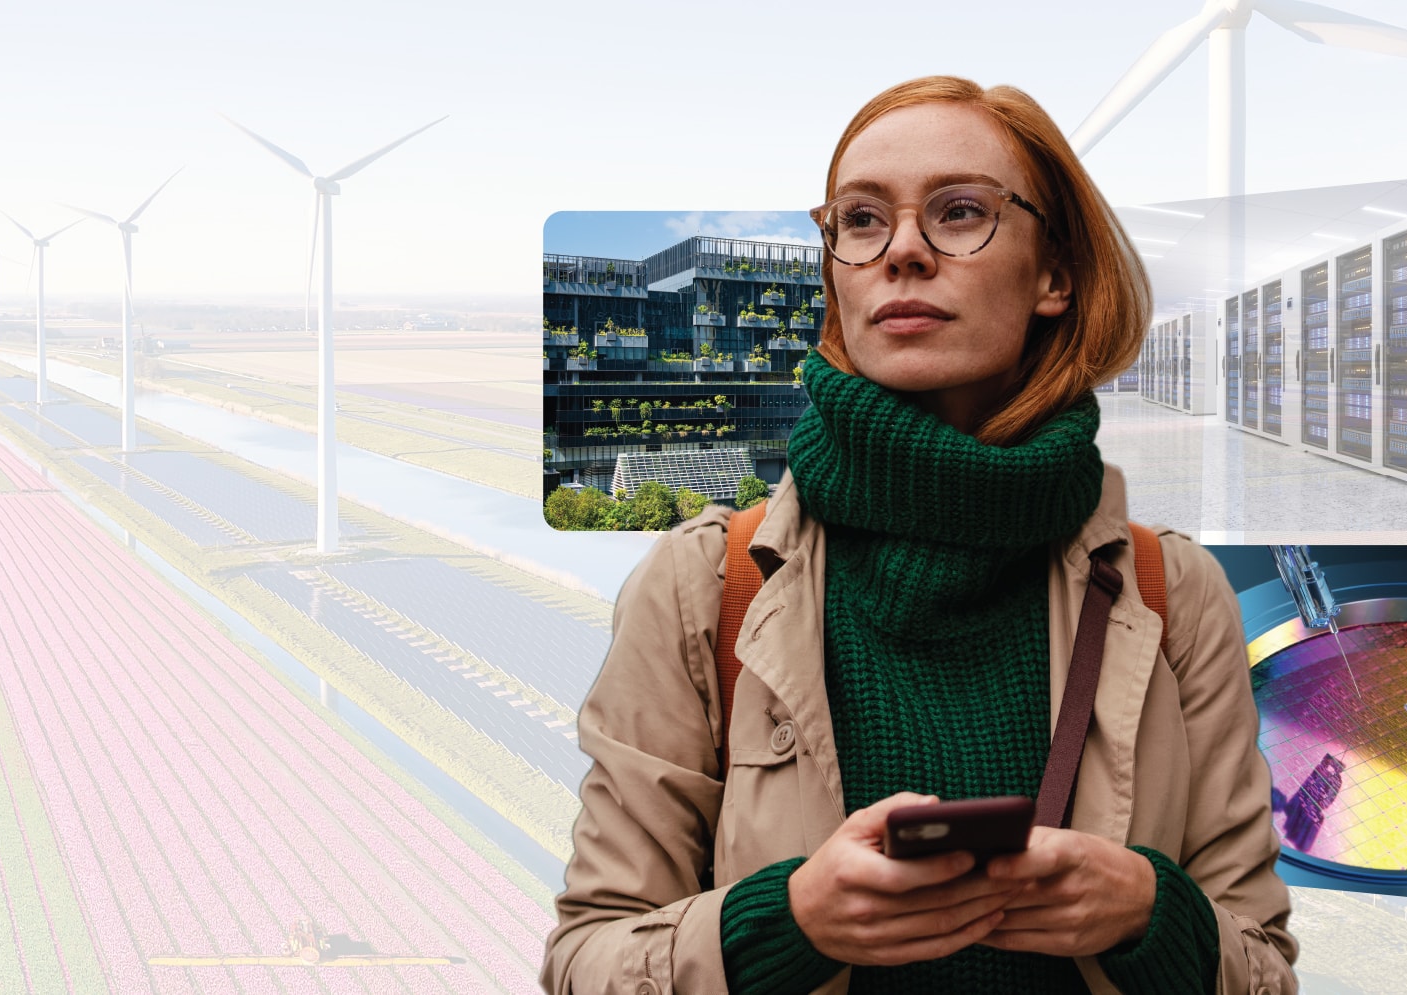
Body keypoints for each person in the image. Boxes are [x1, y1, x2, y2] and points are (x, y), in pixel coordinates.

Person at [540, 76, 1298, 995]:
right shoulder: (704, 585)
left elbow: (1263, 968)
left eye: (960, 211)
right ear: (835, 271)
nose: (903, 250)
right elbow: (584, 961)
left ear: (1055, 273)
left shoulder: (1171, 590)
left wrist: (1151, 914)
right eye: (862, 221)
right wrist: (785, 923)